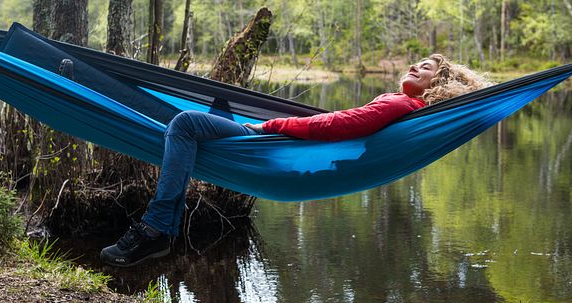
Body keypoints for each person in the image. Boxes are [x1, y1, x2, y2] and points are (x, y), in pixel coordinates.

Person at [100, 54, 490, 267]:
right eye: (416, 61)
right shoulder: (408, 105)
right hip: (277, 144)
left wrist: (277, 123)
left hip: (272, 142)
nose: (413, 66)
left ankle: (156, 228)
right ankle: (158, 228)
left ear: (436, 84)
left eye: (424, 67)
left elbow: (342, 124)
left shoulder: (403, 102)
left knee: (185, 123)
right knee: (189, 131)